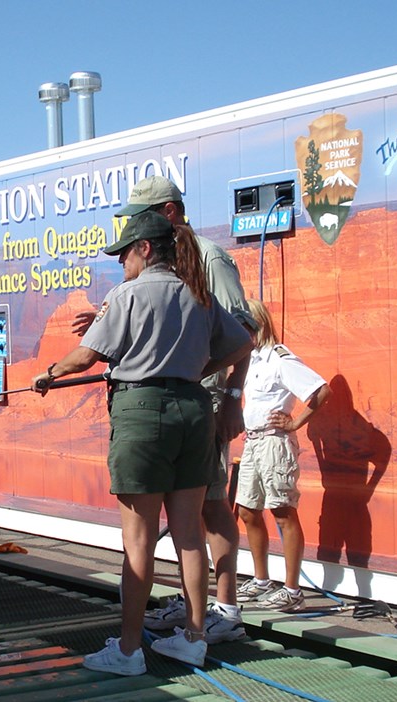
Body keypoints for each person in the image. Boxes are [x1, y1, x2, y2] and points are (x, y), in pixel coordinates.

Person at [33, 210, 252, 675]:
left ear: (145, 248)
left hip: (142, 412)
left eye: (124, 255)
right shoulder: (200, 294)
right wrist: (198, 371)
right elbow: (241, 345)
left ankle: (129, 651)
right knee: (190, 535)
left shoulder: (129, 295)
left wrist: (49, 373)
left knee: (139, 542)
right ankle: (194, 638)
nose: (122, 265)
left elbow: (88, 354)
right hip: (195, 412)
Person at [234, 299, 330, 612]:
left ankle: (292, 589)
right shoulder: (248, 359)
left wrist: (296, 421)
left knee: (282, 511)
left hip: (275, 442)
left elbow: (321, 391)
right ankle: (261, 579)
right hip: (253, 441)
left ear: (256, 325)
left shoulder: (279, 358)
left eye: (243, 325)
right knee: (247, 510)